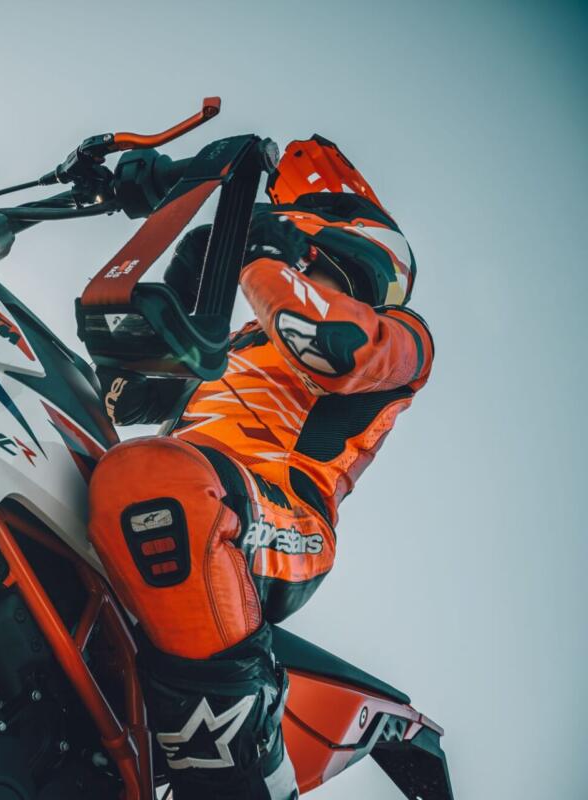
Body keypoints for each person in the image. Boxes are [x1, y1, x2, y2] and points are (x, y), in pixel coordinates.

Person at [86, 137, 434, 799]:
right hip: (180, 495)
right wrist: (184, 276)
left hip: (279, 518)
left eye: (309, 261)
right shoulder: (237, 343)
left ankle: (244, 773)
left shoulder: (402, 336)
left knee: (152, 480)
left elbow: (332, 347)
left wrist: (254, 253)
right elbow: (122, 397)